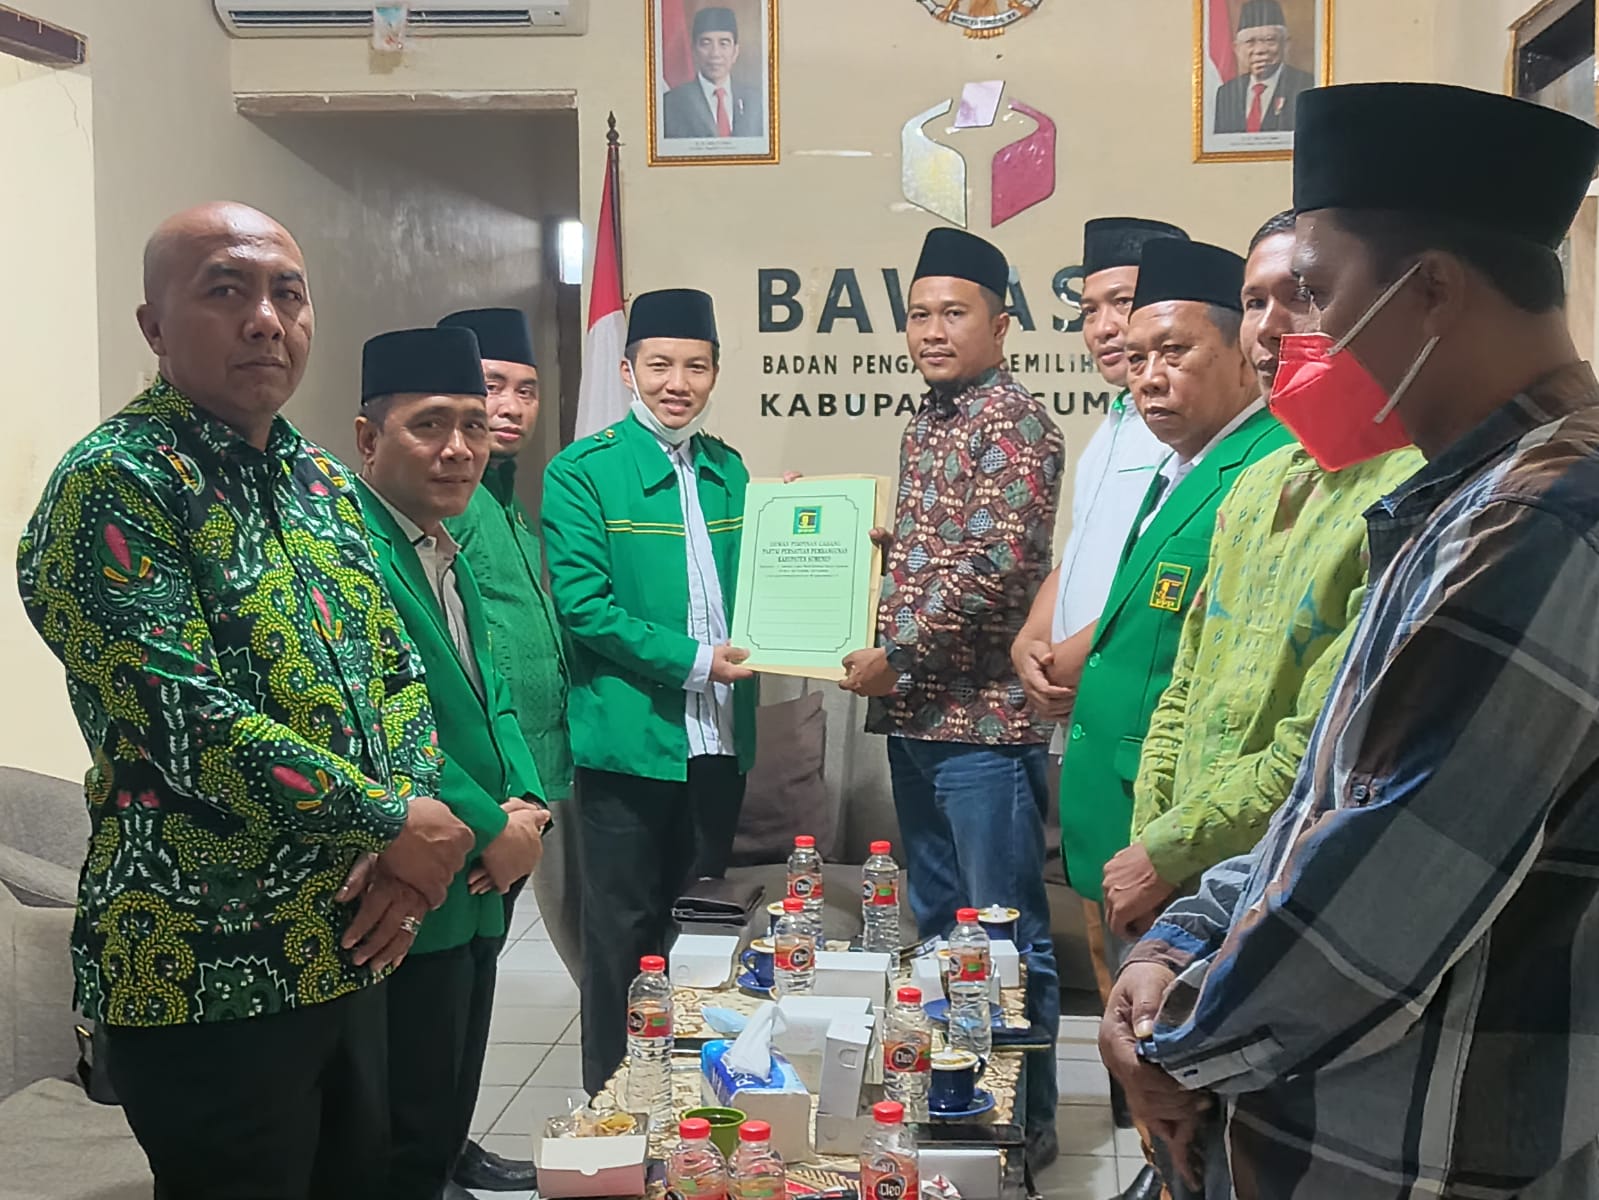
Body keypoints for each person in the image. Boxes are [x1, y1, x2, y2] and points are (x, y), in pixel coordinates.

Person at [1102, 82, 1599, 1200]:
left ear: (1429, 291)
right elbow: (1320, 804)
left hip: (1408, 1153)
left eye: (1317, 293)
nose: (1286, 336)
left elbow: (1370, 907)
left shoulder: (1548, 518)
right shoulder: (1462, 496)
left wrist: (1171, 1042)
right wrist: (1174, 941)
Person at [15, 203, 474, 1200]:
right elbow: (178, 715)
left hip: (346, 943)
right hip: (207, 968)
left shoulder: (318, 480)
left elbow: (396, 668)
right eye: (226, 290)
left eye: (287, 294)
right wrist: (390, 820)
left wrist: (408, 834)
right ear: (154, 325)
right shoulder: (115, 483)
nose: (265, 319)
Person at [1102, 212, 1421, 943]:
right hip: (1171, 884)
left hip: (1292, 888)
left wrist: (1170, 852)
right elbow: (1183, 685)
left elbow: (1325, 736)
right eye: (1253, 302)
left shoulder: (1410, 488)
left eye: (1302, 295)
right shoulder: (1256, 483)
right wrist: (1151, 845)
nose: (1270, 328)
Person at [840, 227, 1065, 1173]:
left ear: (1000, 325)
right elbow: (947, 552)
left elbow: (995, 566)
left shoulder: (1017, 423)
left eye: (953, 314)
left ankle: (1026, 1124)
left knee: (1003, 934)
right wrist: (861, 548)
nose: (932, 331)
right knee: (939, 932)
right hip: (920, 719)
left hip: (985, 728)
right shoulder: (927, 420)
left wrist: (895, 650)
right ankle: (959, 1102)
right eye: (918, 315)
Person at [351, 327, 553, 1200]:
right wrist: (488, 827)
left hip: (483, 872)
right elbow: (384, 721)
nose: (460, 447)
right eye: (430, 424)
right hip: (423, 877)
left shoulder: (445, 545)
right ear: (369, 438)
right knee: (402, 1127)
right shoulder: (352, 553)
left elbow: (491, 690)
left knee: (447, 1105)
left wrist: (528, 803)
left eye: (473, 424)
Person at [542, 288, 757, 1094]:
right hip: (629, 746)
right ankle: (613, 1101)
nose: (678, 383)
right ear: (628, 371)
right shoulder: (582, 473)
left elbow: (770, 578)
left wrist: (822, 532)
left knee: (696, 932)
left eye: (695, 366)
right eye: (660, 365)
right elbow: (583, 606)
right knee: (621, 936)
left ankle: (686, 1100)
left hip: (719, 745)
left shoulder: (730, 472)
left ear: (714, 374)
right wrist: (696, 662)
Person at [1009, 217, 1188, 1037]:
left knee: (1146, 969)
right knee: (1104, 949)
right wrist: (1030, 639)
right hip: (1077, 708)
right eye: (1089, 309)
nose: (1106, 326)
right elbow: (1081, 550)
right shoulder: (1113, 421)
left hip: (1133, 715)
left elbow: (1156, 577)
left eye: (1125, 302)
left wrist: (1073, 655)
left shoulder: (1179, 427)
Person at [437, 307, 569, 1194]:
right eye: (492, 387)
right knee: (446, 987)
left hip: (526, 785)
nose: (510, 406)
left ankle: (453, 1141)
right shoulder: (453, 503)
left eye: (525, 389)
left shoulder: (508, 507)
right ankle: (431, 1155)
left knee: (478, 976)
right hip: (472, 794)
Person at [1212, 0, 1314, 135]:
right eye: (1250, 42)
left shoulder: (1307, 86)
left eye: (1269, 40)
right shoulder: (1227, 93)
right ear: (1236, 48)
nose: (1260, 50)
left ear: (1286, 44)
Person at [661, 6, 763, 139]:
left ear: (735, 52)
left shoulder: (756, 101)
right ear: (694, 51)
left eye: (724, 44)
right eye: (706, 43)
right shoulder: (671, 104)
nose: (715, 54)